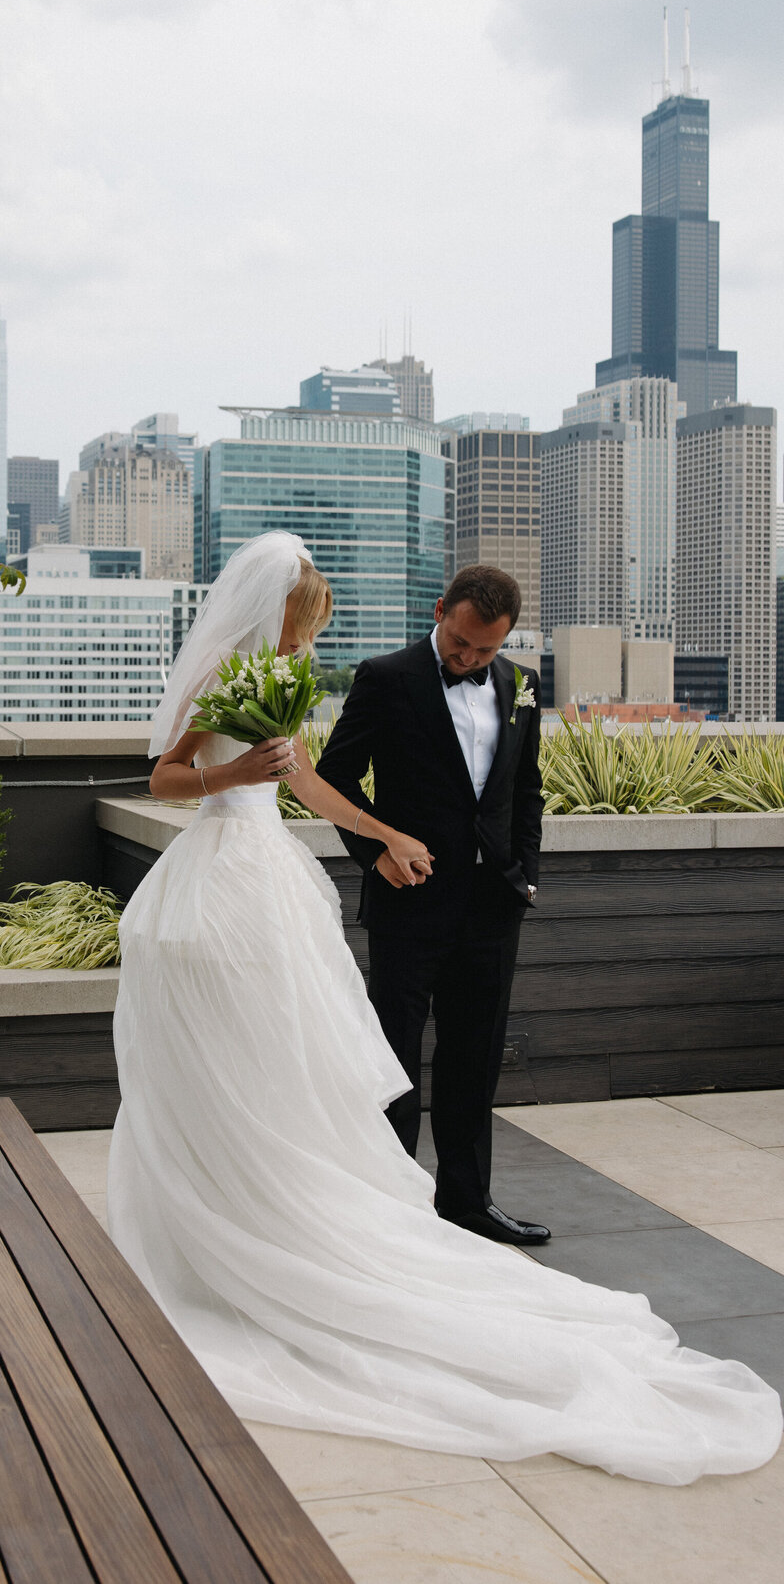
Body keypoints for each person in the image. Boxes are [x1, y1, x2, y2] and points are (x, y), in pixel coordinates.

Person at [107, 530, 781, 1484]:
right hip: (225, 882)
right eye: (308, 614)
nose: (313, 629)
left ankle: (392, 1204)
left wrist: (392, 834)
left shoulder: (305, 672)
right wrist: (236, 779)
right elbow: (171, 776)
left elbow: (310, 780)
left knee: (318, 1061)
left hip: (309, 881)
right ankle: (225, 1219)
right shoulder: (243, 666)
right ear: (282, 606)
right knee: (272, 1060)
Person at [315, 563, 547, 1246]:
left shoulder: (522, 686)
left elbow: (525, 789)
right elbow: (334, 777)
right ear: (442, 609)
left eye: (485, 651)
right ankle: (394, 1209)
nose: (469, 658)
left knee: (474, 1058)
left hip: (491, 906)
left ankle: (469, 1202)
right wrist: (375, 854)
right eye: (461, 643)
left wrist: (525, 876)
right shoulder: (387, 677)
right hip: (408, 902)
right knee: (393, 1058)